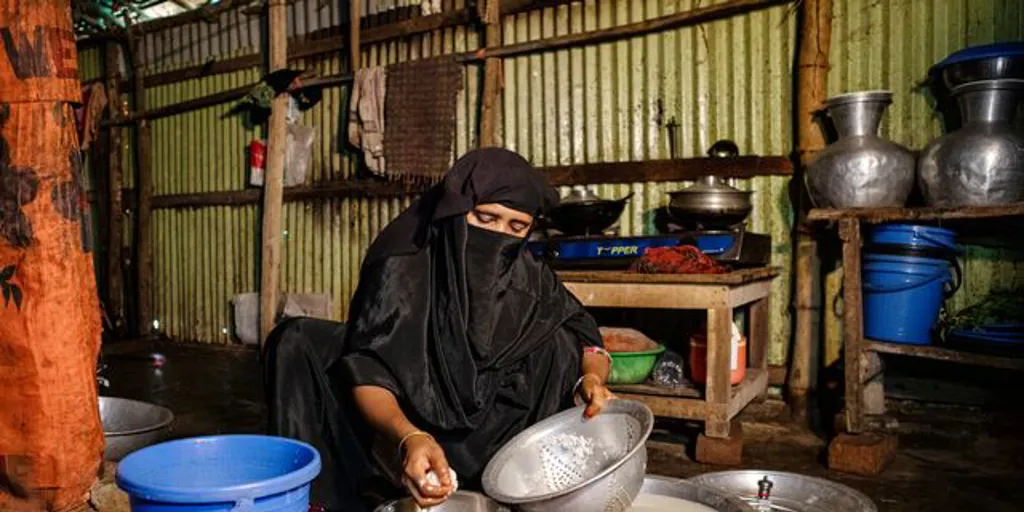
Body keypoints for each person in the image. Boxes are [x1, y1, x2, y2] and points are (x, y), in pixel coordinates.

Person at [264, 148, 613, 511]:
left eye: (516, 227)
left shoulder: (528, 276)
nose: (499, 237)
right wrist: (409, 437)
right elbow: (370, 367)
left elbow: (585, 334)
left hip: (495, 433)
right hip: (408, 416)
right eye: (486, 218)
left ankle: (515, 489)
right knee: (296, 339)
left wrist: (591, 378)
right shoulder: (405, 266)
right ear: (456, 212)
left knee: (559, 342)